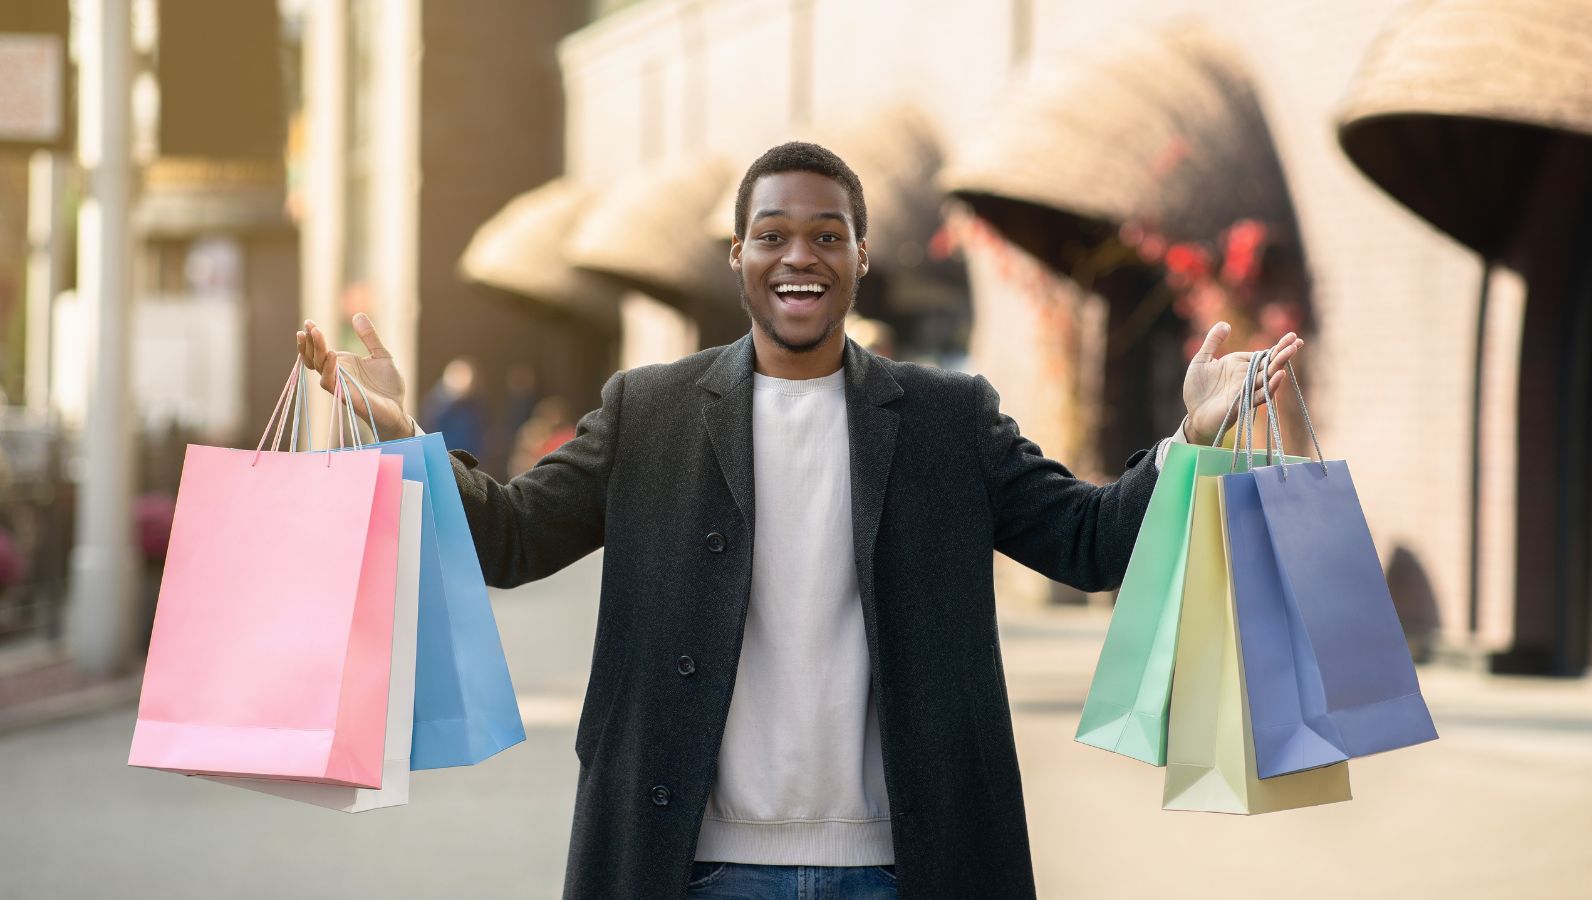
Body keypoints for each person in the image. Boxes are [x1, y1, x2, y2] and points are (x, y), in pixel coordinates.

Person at [296, 142, 1303, 900]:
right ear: (738, 256)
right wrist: (401, 439)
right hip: (694, 860)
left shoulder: (948, 419)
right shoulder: (648, 410)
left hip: (902, 863)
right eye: (773, 234)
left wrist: (1193, 441)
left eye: (828, 235)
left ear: (862, 260)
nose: (799, 257)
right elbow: (513, 539)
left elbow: (1087, 543)